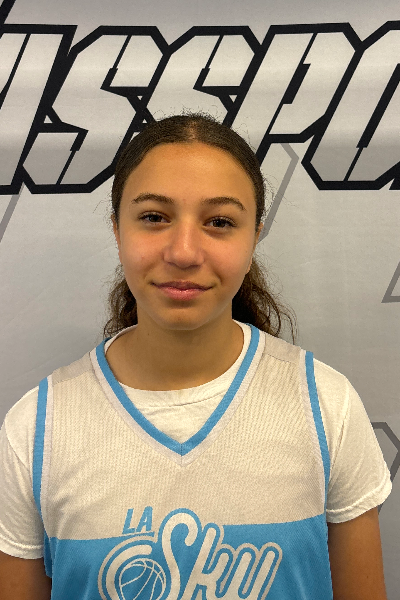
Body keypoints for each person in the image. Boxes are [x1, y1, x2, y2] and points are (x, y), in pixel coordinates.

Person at [0, 113, 391, 600]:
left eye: (219, 222)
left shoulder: (326, 406)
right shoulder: (36, 429)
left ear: (254, 236)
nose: (184, 252)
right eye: (154, 217)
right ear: (117, 229)